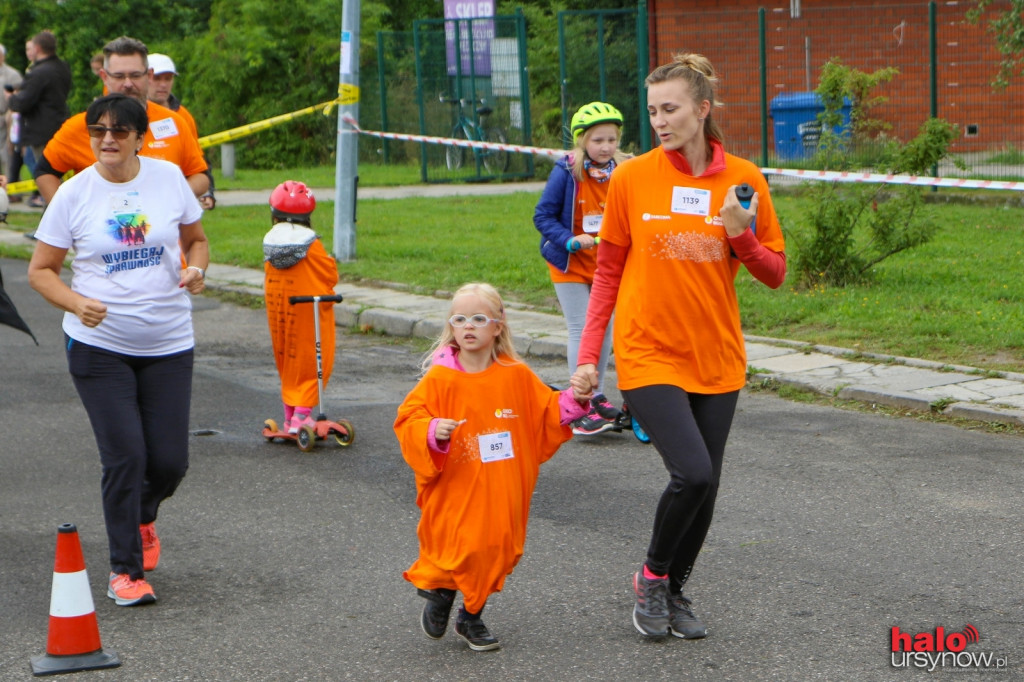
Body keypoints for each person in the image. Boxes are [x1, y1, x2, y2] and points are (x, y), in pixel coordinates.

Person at [571, 53, 786, 640]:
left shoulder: (744, 179)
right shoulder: (633, 177)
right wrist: (590, 357)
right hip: (648, 353)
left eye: (670, 109)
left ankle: (675, 591)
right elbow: (608, 275)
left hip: (716, 356)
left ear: (702, 110)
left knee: (708, 485)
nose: (659, 121)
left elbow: (775, 273)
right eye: (652, 111)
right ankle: (651, 577)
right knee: (690, 473)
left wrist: (741, 234)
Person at [27, 93, 208, 607]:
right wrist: (76, 302)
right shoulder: (73, 193)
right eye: (98, 130)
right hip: (99, 347)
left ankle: (143, 515)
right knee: (126, 455)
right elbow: (41, 271)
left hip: (169, 342)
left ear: (139, 137)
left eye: (120, 131)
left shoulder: (168, 179)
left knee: (170, 462)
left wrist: (197, 268)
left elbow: (196, 240)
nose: (108, 139)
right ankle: (124, 571)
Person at [394, 282, 591, 652]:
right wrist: (434, 430)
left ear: (498, 326)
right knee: (459, 543)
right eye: (460, 319)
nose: (468, 326)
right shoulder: (440, 377)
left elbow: (546, 411)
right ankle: (445, 596)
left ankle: (469, 613)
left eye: (479, 319)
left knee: (493, 546)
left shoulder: (515, 374)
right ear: (451, 327)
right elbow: (409, 419)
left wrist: (577, 399)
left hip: (502, 486)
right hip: (455, 483)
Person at [533, 101, 629, 436]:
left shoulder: (622, 172)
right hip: (570, 263)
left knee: (605, 328)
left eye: (611, 140)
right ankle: (577, 403)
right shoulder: (566, 172)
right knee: (582, 327)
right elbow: (542, 216)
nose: (605, 147)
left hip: (606, 266)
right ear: (582, 142)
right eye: (598, 140)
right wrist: (570, 239)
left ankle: (596, 392)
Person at [34, 36, 209, 205]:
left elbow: (200, 175)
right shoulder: (83, 125)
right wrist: (65, 217)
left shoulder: (173, 121)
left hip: (164, 233)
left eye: (135, 75)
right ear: (104, 77)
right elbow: (44, 172)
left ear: (148, 75)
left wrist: (170, 200)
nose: (127, 84)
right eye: (119, 76)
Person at [263, 180, 338, 434]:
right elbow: (328, 275)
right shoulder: (311, 244)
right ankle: (302, 418)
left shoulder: (270, 243)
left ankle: (289, 416)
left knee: (287, 357)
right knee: (311, 357)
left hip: (280, 309)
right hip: (307, 311)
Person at [6, 31, 71, 208]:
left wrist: (10, 97)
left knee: (46, 178)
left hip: (41, 131)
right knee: (57, 178)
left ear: (37, 48)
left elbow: (23, 102)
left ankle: (51, 221)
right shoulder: (62, 67)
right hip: (59, 125)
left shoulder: (39, 72)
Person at [147, 53, 216, 210]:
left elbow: (198, 161)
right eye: (157, 79)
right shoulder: (131, 113)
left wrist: (208, 191)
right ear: (146, 78)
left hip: (176, 202)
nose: (163, 85)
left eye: (168, 79)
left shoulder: (183, 116)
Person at [0, 44, 24, 179]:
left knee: (7, 154)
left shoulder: (12, 74)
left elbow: (18, 96)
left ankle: (11, 185)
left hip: (6, 118)